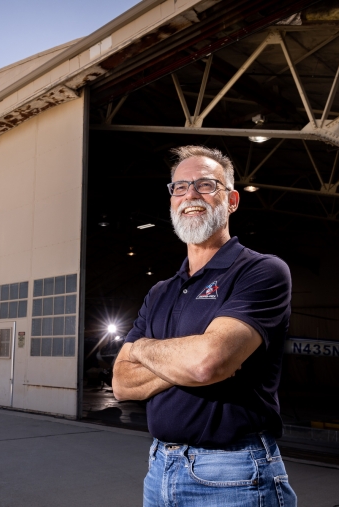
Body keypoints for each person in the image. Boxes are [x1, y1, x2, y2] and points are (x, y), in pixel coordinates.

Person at [112, 145, 295, 507]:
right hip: (159, 467)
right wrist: (194, 358)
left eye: (206, 185)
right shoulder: (160, 291)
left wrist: (142, 349)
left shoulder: (260, 271)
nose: (190, 194)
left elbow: (207, 363)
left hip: (235, 473)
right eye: (179, 187)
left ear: (232, 201)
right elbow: (121, 383)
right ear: (171, 202)